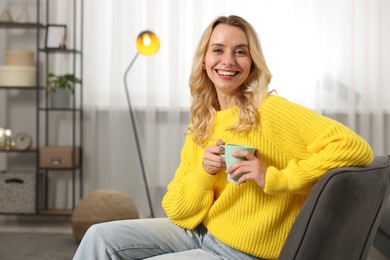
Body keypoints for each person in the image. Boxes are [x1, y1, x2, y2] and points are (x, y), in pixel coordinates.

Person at [73, 15, 374, 260]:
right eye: (218, 50)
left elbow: (355, 147)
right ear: (204, 60)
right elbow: (177, 210)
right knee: (100, 237)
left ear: (252, 62)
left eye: (240, 51)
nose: (228, 60)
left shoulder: (270, 110)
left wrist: (273, 177)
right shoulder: (204, 122)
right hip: (202, 232)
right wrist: (204, 173)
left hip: (242, 252)